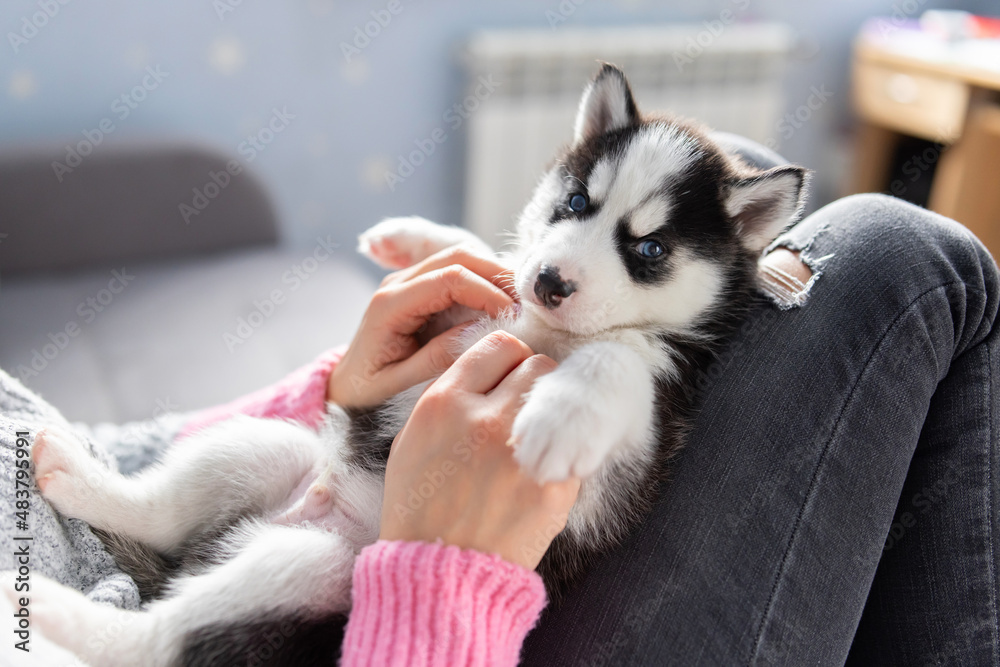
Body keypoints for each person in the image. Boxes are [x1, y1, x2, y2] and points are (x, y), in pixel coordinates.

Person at [4, 135, 997, 665]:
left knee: (732, 176)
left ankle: (145, 517)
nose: (564, 255)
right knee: (905, 263)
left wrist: (341, 390)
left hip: (349, 486)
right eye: (571, 211)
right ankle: (146, 644)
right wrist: (434, 576)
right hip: (414, 609)